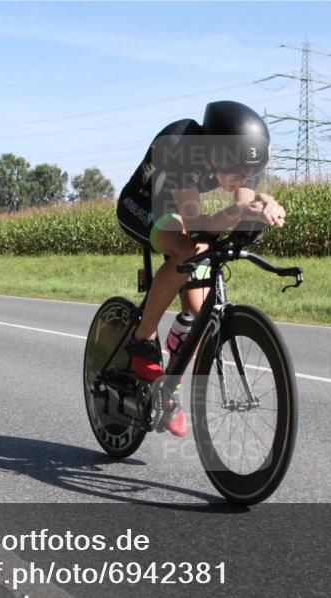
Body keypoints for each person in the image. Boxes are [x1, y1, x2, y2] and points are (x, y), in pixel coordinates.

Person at [116, 100, 286, 437]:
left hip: (177, 210)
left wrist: (260, 205)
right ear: (215, 153)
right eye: (236, 171)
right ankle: (142, 340)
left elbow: (241, 204)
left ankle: (167, 390)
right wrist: (241, 213)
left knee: (199, 315)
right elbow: (196, 222)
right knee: (188, 248)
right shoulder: (182, 145)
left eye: (248, 174)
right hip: (142, 205)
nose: (243, 179)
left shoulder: (243, 159)